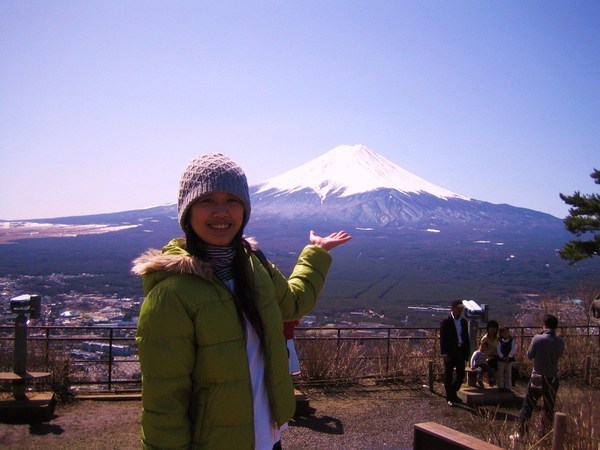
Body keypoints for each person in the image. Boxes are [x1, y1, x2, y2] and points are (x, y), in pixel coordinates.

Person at [132, 152, 352, 450]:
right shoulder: (172, 293)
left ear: (245, 210)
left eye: (232, 200)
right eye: (207, 200)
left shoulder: (254, 268)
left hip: (269, 439)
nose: (221, 212)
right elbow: (165, 400)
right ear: (187, 210)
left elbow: (293, 303)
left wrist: (315, 253)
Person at [511, 314, 565, 442]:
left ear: (544, 325)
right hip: (552, 378)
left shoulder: (537, 338)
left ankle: (521, 434)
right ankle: (544, 436)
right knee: (548, 408)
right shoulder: (560, 342)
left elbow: (530, 355)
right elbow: (558, 356)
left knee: (528, 405)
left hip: (537, 377)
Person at [440, 299, 470, 406]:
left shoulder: (464, 322)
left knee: (461, 373)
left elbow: (466, 338)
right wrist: (444, 353)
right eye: (458, 308)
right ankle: (450, 397)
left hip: (461, 350)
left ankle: (452, 392)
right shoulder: (446, 321)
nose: (460, 310)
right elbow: (443, 338)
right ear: (452, 309)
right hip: (450, 351)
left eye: (461, 308)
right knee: (448, 374)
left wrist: (467, 353)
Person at [496, 326, 516, 393]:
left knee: (508, 373)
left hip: (509, 359)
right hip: (501, 359)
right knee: (500, 373)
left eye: (507, 332)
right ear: (501, 333)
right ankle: (500, 387)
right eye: (503, 332)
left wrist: (509, 356)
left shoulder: (512, 340)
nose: (505, 334)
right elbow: (498, 349)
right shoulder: (499, 341)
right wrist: (501, 356)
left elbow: (513, 349)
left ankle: (508, 387)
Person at [480, 320, 499, 386]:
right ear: (488, 329)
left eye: (494, 328)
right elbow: (482, 352)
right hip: (487, 359)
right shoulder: (485, 339)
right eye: (490, 328)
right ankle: (492, 380)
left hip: (497, 357)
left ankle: (504, 385)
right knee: (493, 364)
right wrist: (493, 351)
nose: (492, 330)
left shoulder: (498, 338)